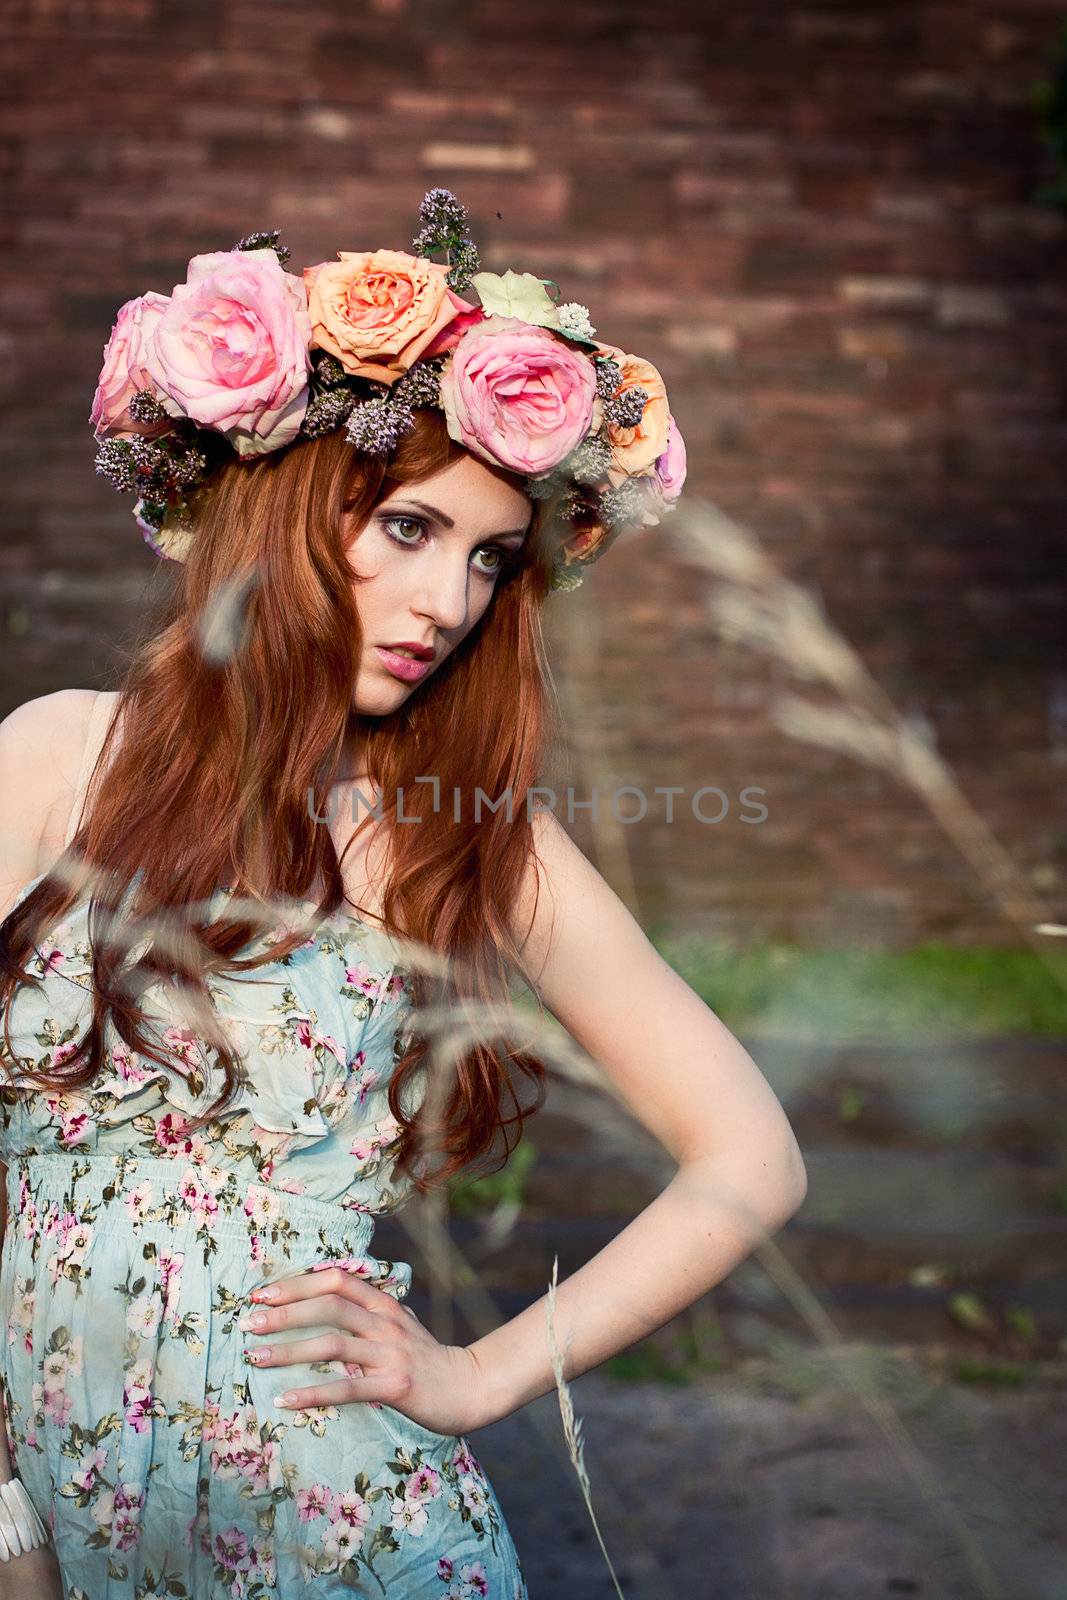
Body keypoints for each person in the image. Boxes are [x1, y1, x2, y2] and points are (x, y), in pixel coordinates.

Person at [0, 189, 807, 1598]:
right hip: (68, 1521)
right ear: (292, 508)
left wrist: (479, 1377)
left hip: (347, 1536)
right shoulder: (58, 756)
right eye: (415, 529)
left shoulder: (469, 834)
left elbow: (751, 1157)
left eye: (494, 558)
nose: (453, 602)